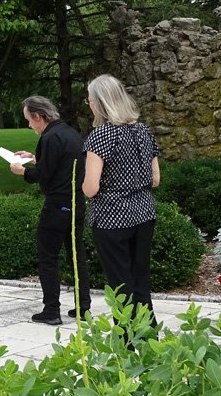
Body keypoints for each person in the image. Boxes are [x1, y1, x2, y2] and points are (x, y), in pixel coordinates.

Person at [83, 74, 160, 329]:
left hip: (112, 219)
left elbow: (91, 188)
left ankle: (125, 348)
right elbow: (155, 179)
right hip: (144, 214)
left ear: (99, 102)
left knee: (120, 286)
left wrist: (84, 185)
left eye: (90, 99)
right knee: (140, 282)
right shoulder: (143, 130)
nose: (89, 103)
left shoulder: (101, 135)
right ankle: (150, 345)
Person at [10, 96, 92, 325]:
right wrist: (35, 157)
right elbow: (59, 164)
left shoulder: (48, 137)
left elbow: (43, 174)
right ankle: (83, 307)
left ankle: (51, 310)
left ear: (38, 116)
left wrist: (22, 172)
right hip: (76, 202)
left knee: (48, 257)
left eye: (29, 120)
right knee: (77, 254)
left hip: (57, 204)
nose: (29, 125)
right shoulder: (69, 132)